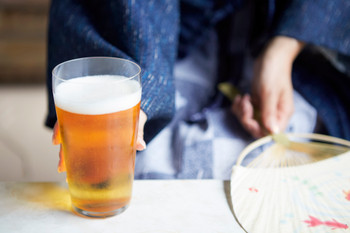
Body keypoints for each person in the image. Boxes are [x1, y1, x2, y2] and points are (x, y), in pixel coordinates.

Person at [46, 0, 350, 179]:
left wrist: (283, 50)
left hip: (291, 41)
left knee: (286, 172)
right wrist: (143, 87)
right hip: (159, 41)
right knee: (147, 164)